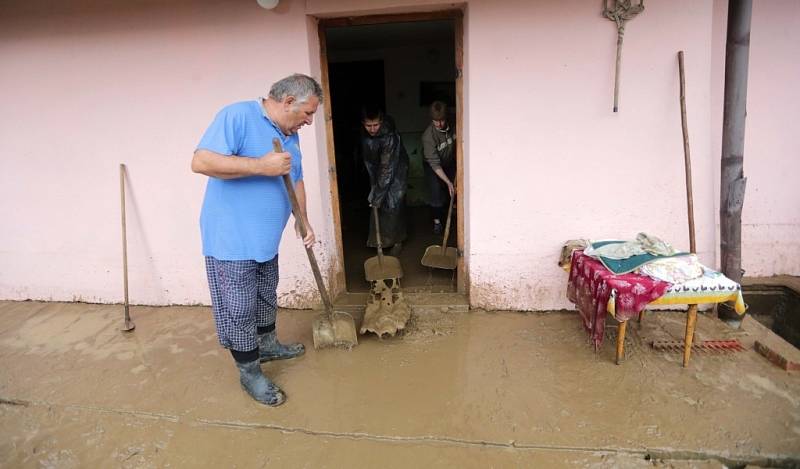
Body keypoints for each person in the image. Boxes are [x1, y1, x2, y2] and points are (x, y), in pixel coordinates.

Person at [191, 74, 322, 407]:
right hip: (231, 240)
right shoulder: (238, 116)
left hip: (265, 239)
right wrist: (261, 166)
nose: (309, 121)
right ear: (288, 101)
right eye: (307, 113)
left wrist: (301, 219)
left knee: (265, 295)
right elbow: (201, 161)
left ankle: (268, 345)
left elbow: (297, 178)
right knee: (239, 310)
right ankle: (250, 373)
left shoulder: (289, 136)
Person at [356, 107, 409, 255]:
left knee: (393, 204)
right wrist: (375, 189)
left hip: (396, 169)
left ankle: (397, 240)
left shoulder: (389, 137)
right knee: (376, 201)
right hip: (378, 170)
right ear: (363, 124)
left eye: (376, 125)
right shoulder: (364, 134)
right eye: (368, 125)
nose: (372, 129)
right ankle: (378, 241)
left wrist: (378, 196)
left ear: (381, 121)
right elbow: (370, 161)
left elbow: (387, 169)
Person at [421, 101, 456, 234]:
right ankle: (437, 222)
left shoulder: (454, 124)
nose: (439, 124)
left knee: (454, 188)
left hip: (449, 161)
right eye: (436, 121)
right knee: (436, 191)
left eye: (442, 120)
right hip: (432, 165)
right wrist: (447, 182)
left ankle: (452, 213)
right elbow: (434, 163)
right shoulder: (428, 136)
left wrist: (450, 182)